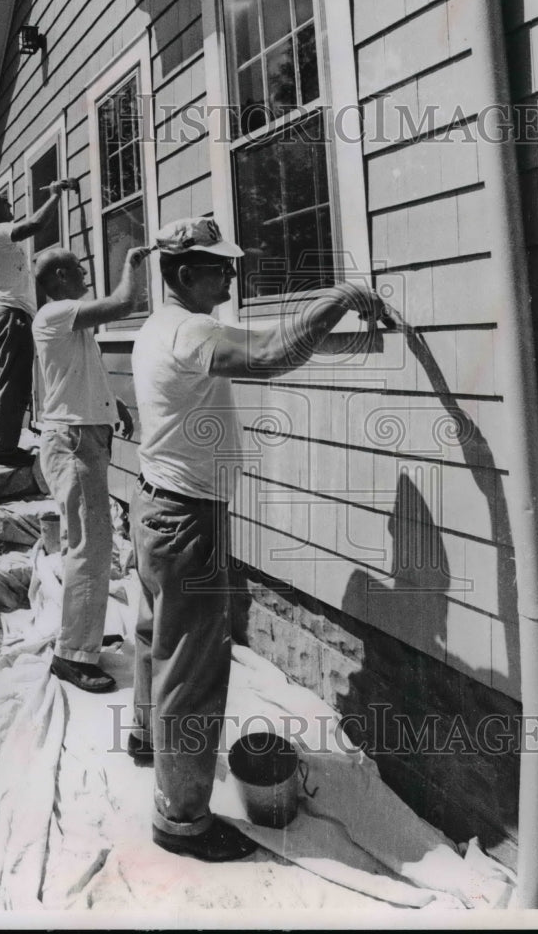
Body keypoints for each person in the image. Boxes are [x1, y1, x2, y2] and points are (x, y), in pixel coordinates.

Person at [129, 216, 385, 862]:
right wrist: (337, 300)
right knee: (193, 672)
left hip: (156, 506)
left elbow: (260, 342)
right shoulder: (191, 330)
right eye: (221, 267)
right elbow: (272, 354)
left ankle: (144, 738)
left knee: (155, 639)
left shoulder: (161, 325)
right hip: (187, 521)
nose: (233, 275)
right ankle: (181, 820)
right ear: (187, 275)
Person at [32, 244, 152, 693]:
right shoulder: (54, 313)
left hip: (81, 436)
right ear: (60, 277)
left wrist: (111, 401)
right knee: (91, 547)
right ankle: (72, 656)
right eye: (79, 269)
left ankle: (79, 639)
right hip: (74, 442)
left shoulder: (67, 323)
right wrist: (131, 267)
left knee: (85, 543)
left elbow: (78, 373)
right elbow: (125, 303)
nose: (85, 275)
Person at [0, 182, 64, 467]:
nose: (10, 206)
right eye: (4, 202)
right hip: (11, 315)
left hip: (6, 314)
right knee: (14, 384)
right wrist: (55, 195)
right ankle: (3, 450)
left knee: (12, 383)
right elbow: (35, 224)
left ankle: (4, 445)